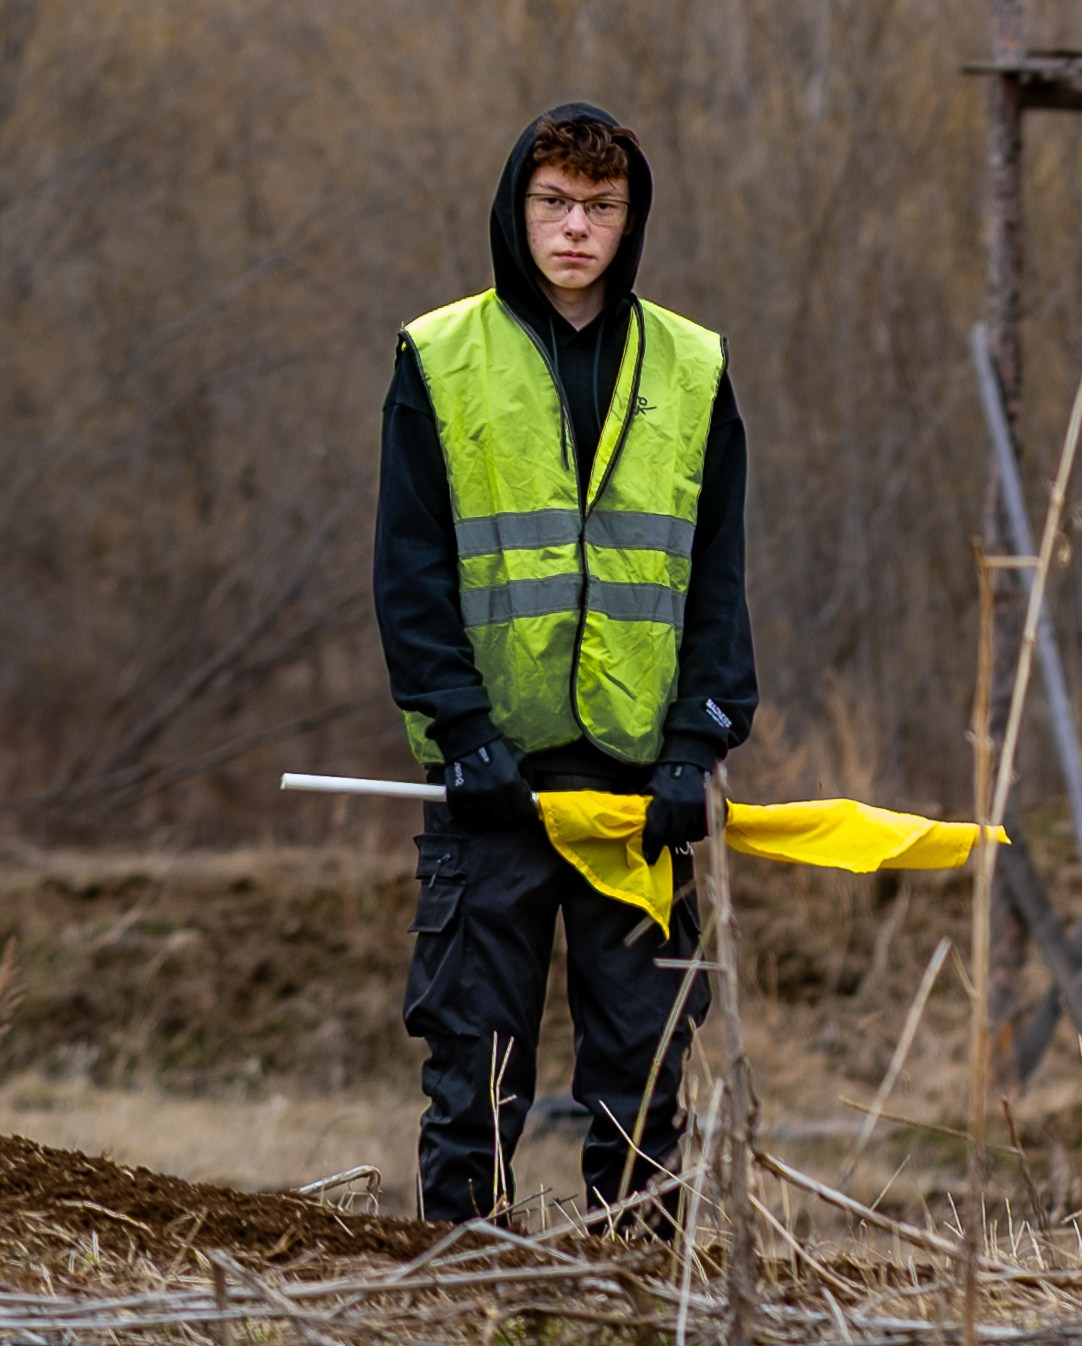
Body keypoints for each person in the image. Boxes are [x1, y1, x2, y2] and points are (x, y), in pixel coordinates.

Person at [373, 102, 757, 1227]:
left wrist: (698, 741)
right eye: (554, 202)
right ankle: (463, 1294)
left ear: (630, 218)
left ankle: (636, 1294)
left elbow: (717, 575)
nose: (576, 227)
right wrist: (462, 730)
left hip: (638, 792)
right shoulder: (439, 358)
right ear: (517, 207)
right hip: (492, 782)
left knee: (642, 1080)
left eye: (600, 206)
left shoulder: (692, 366)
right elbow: (410, 570)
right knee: (473, 1083)